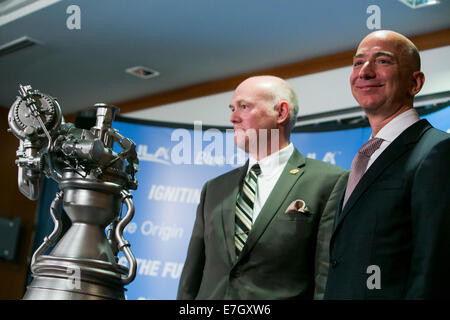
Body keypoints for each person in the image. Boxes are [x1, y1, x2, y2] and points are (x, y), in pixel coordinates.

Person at [177, 75, 348, 299]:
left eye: (244, 107)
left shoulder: (329, 182)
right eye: (232, 108)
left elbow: (326, 277)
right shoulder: (214, 189)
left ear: (281, 112)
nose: (233, 118)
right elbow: (191, 278)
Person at [324, 30, 450, 299]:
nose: (365, 72)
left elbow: (434, 267)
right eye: (358, 63)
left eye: (382, 61)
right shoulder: (365, 157)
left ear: (415, 83)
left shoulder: (437, 151)